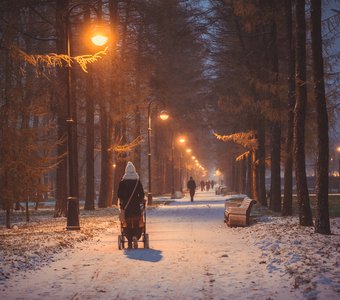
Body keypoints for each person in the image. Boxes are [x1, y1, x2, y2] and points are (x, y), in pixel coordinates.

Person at [117, 161, 145, 249]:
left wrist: (122, 202)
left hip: (126, 207)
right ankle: (136, 237)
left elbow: (119, 195)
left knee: (127, 223)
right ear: (134, 170)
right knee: (136, 222)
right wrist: (140, 201)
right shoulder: (137, 181)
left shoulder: (122, 182)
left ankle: (129, 242)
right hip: (136, 206)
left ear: (126, 171)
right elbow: (142, 194)